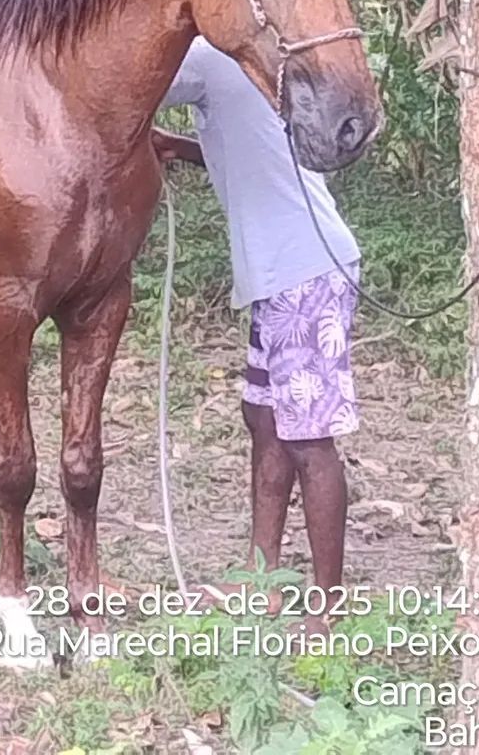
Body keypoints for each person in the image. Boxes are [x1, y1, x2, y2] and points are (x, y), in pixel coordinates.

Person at [153, 36, 361, 609]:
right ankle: (260, 578)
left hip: (302, 268)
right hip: (286, 270)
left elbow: (127, 75)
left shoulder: (208, 55)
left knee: (309, 440)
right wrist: (180, 147)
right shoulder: (251, 58)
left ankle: (327, 604)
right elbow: (253, 150)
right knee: (264, 419)